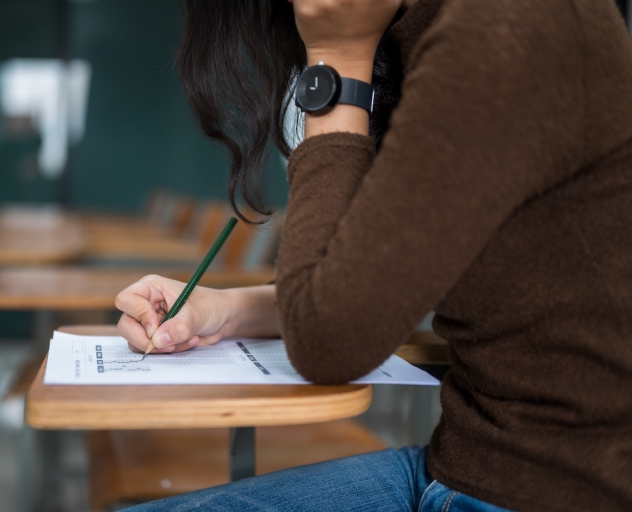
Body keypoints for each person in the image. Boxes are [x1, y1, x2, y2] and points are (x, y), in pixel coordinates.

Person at [114, 0, 632, 510]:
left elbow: (330, 341)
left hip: (550, 486)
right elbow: (367, 281)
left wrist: (337, 58)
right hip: (465, 464)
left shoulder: (508, 21)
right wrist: (226, 311)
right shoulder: (423, 29)